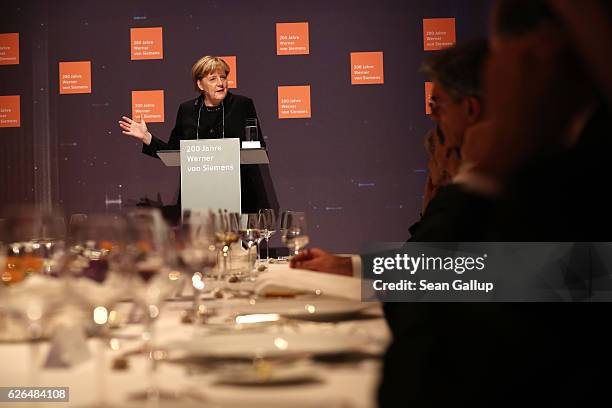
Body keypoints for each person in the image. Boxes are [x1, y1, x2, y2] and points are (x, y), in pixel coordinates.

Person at [119, 56, 278, 222]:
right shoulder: (187, 110)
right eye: (213, 79)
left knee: (240, 247)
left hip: (239, 195)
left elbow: (258, 147)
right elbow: (173, 152)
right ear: (200, 84)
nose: (220, 83)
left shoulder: (242, 105)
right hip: (197, 197)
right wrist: (147, 137)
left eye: (223, 77)